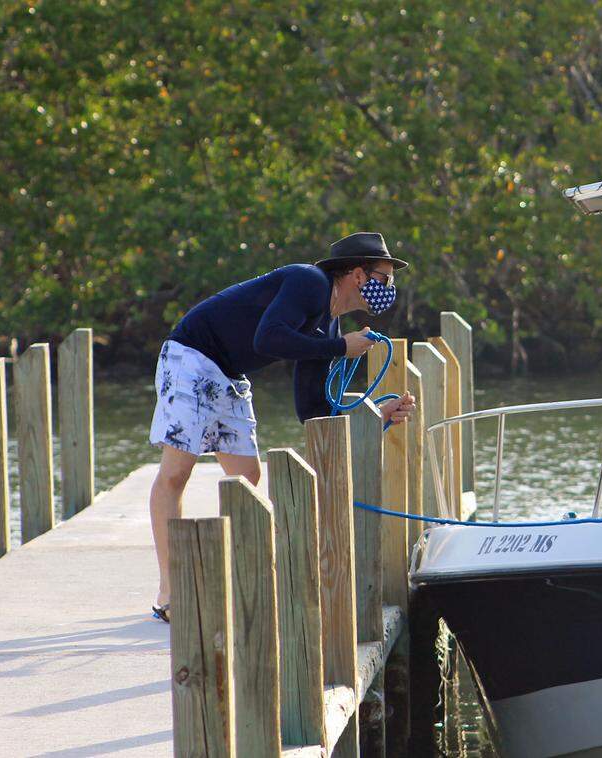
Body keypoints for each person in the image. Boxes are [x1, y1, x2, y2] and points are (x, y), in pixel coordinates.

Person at [147, 232, 415, 621]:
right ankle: (171, 592)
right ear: (358, 275)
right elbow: (269, 337)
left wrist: (376, 412)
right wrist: (339, 349)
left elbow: (313, 410)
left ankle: (233, 578)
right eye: (386, 278)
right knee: (175, 473)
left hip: (230, 374)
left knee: (248, 479)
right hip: (191, 357)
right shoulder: (308, 282)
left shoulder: (329, 326)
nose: (390, 288)